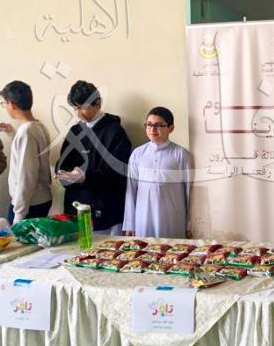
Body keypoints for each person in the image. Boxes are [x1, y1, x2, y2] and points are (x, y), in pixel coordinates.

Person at [56, 81, 132, 233]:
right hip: (76, 211)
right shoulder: (75, 131)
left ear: (98, 103)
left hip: (105, 212)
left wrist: (86, 177)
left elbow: (118, 174)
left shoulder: (115, 132)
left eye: (82, 107)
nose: (78, 114)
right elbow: (62, 164)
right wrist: (65, 175)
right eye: (74, 108)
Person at [123, 107, 190, 238]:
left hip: (172, 217)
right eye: (149, 125)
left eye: (159, 125)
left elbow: (188, 192)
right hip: (143, 217)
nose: (152, 129)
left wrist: (189, 224)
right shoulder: (138, 154)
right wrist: (130, 224)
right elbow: (131, 189)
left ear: (171, 128)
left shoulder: (180, 154)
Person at [0, 81, 52, 223]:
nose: (5, 107)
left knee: (17, 237)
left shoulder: (26, 133)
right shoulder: (38, 126)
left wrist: (19, 214)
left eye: (4, 103)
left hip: (30, 204)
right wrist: (12, 133)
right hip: (39, 199)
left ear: (12, 104)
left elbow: (27, 176)